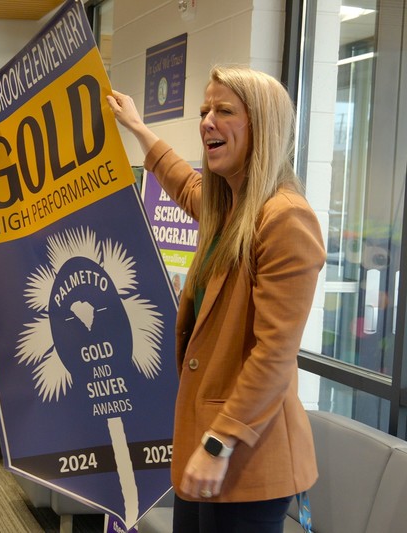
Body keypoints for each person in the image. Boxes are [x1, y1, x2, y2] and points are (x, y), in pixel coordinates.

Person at [107, 65, 325, 532]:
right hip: (207, 446)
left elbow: (274, 354)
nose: (207, 120)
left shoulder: (285, 219)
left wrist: (218, 443)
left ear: (261, 127)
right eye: (205, 109)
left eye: (224, 110)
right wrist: (138, 127)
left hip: (247, 457)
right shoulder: (229, 206)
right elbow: (186, 184)